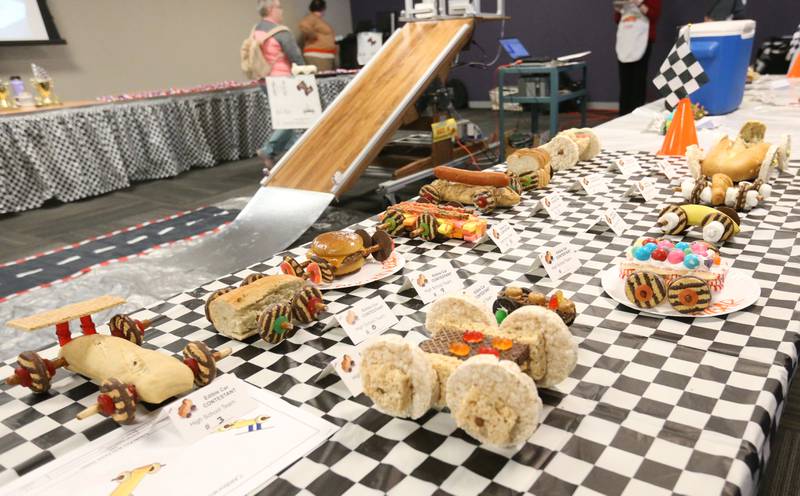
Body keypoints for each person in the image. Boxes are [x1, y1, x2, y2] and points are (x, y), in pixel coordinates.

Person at [254, 0, 305, 173]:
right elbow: (295, 56)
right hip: (281, 79)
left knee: (285, 117)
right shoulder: (280, 32)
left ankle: (292, 153)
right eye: (279, 7)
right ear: (270, 9)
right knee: (291, 117)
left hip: (264, 79)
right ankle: (268, 150)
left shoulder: (256, 30)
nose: (281, 11)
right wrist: (305, 71)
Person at [615, 0, 662, 115]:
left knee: (638, 80)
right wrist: (618, 7)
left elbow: (654, 15)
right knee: (624, 80)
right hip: (626, 38)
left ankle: (636, 113)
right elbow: (617, 19)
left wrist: (639, 3)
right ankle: (623, 113)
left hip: (642, 39)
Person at [299, 0, 337, 72]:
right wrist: (314, 36)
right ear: (323, 8)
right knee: (320, 80)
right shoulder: (312, 17)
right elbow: (303, 25)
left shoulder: (317, 20)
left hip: (323, 56)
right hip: (318, 56)